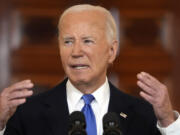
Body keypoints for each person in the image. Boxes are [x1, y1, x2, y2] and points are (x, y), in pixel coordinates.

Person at [0, 4, 180, 135]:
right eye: (68, 41)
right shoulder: (27, 113)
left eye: (87, 41)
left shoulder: (143, 114)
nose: (76, 52)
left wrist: (167, 121)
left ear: (111, 51)